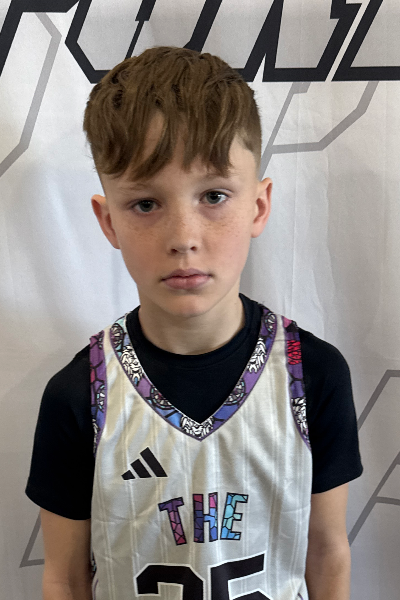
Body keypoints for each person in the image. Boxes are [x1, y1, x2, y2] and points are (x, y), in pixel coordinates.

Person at [25, 46, 363, 600]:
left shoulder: (313, 375)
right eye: (146, 204)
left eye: (213, 196)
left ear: (258, 206)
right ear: (108, 221)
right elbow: (64, 577)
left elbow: (326, 554)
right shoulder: (79, 395)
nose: (184, 237)